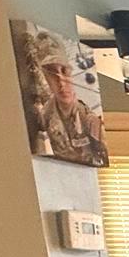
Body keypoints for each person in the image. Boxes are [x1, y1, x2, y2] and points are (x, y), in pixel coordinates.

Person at [23, 28, 107, 166]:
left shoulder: (89, 120)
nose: (61, 82)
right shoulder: (45, 114)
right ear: (45, 76)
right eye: (52, 73)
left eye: (64, 71)